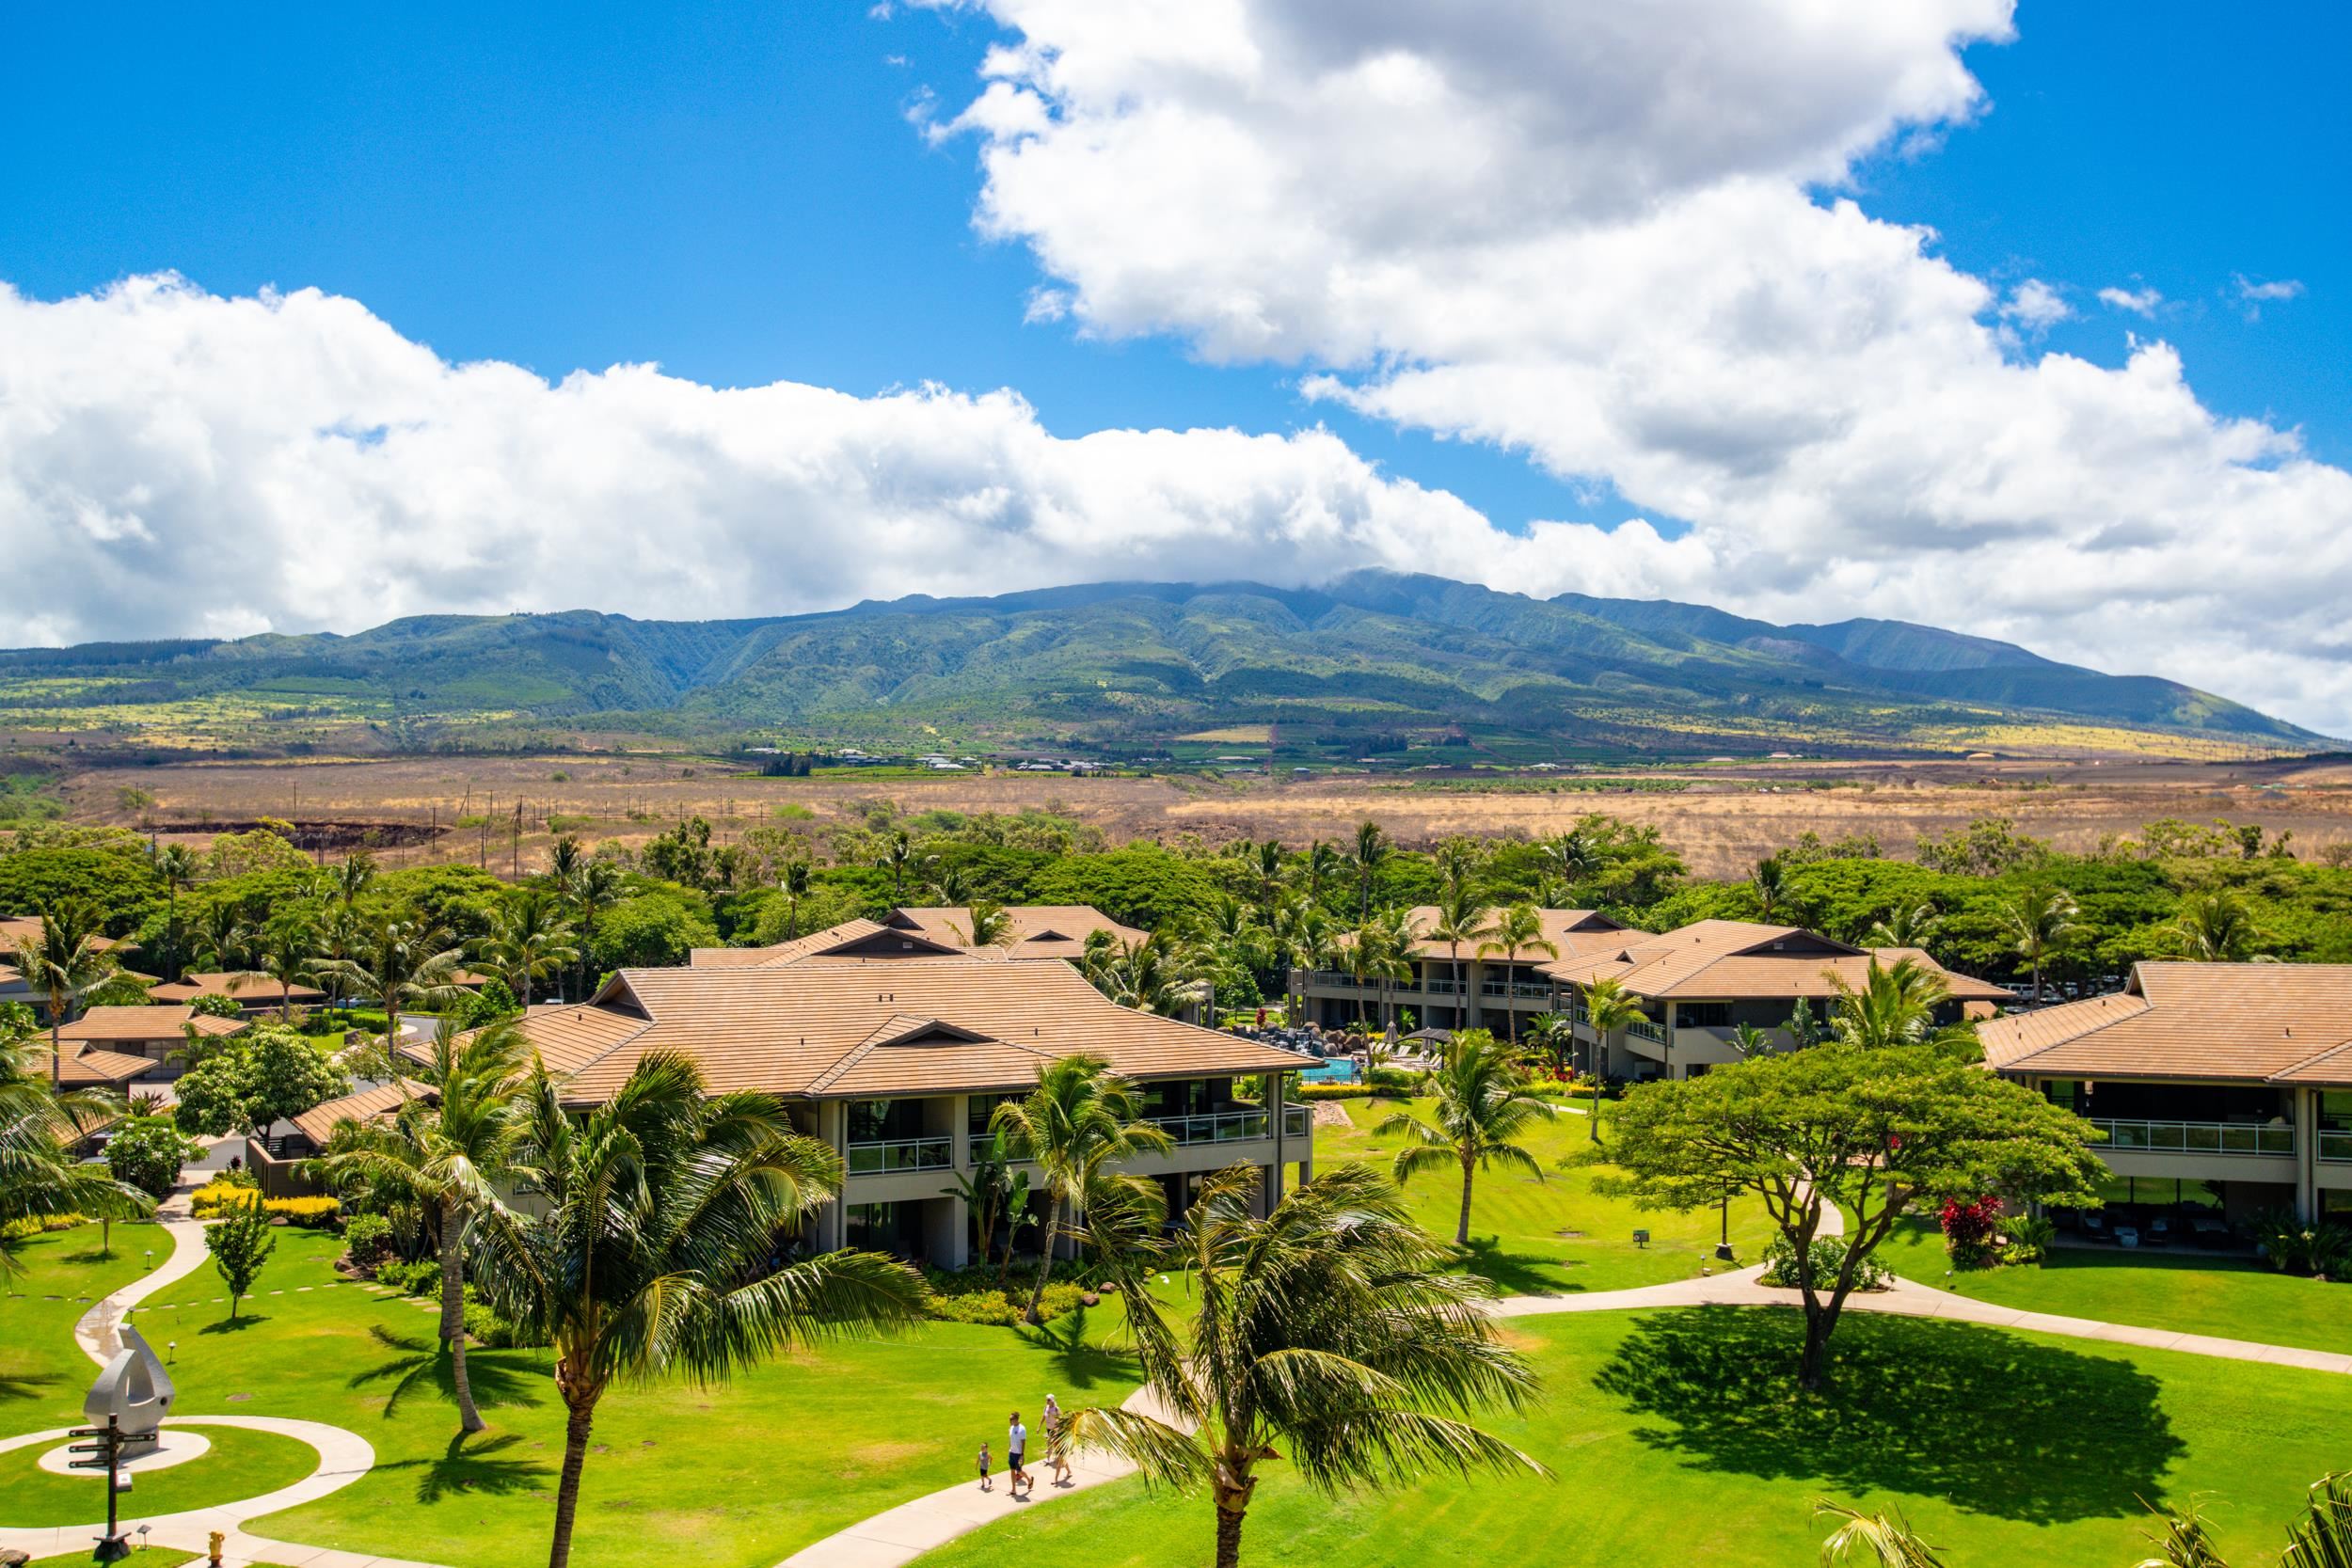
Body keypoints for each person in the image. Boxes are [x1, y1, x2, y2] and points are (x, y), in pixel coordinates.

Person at [1042, 1393, 1070, 1486]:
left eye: (1049, 1400)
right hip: (1058, 1444)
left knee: (1059, 1461)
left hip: (1061, 1445)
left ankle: (1056, 1480)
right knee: (1062, 1460)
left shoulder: (1058, 1430)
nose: (1047, 1401)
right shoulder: (1054, 1431)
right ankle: (1069, 1472)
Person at [1007, 1411, 1028, 1497]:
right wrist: (1010, 1449)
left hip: (1018, 1454)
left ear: (1016, 1419)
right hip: (1011, 1453)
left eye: (1011, 1419)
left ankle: (1029, 1480)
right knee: (1012, 1471)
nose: (1010, 1420)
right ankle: (1013, 1489)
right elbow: (1011, 1439)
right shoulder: (1011, 1427)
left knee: (1019, 1471)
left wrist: (1022, 1454)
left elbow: (1023, 1442)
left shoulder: (1022, 1429)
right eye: (1009, 1419)